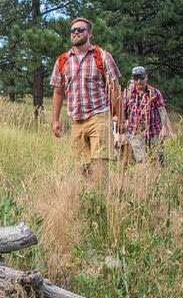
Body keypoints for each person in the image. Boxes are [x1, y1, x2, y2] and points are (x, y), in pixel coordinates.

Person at [51, 17, 122, 178]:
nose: (76, 32)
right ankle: (86, 199)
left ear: (89, 33)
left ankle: (101, 199)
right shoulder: (62, 61)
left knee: (100, 163)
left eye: (80, 30)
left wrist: (121, 118)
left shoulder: (102, 57)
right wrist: (55, 120)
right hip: (76, 120)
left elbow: (115, 89)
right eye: (73, 30)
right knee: (82, 167)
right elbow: (58, 92)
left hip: (99, 116)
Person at [121, 66, 175, 164]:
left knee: (157, 161)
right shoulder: (127, 93)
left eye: (141, 77)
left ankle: (155, 177)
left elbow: (162, 111)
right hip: (135, 133)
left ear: (146, 77)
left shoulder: (154, 92)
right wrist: (123, 133)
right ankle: (143, 177)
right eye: (135, 78)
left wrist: (164, 128)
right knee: (141, 161)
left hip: (154, 132)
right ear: (132, 79)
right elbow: (122, 113)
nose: (139, 81)